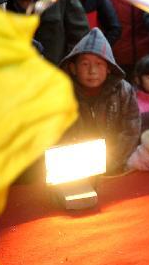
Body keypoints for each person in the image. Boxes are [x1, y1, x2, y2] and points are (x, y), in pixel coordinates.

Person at [59, 28, 140, 174]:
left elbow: (131, 131)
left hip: (115, 166)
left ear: (109, 68)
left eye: (99, 64)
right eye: (85, 64)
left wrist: (110, 162)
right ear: (73, 68)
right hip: (71, 167)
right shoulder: (60, 94)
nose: (92, 71)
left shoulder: (124, 91)